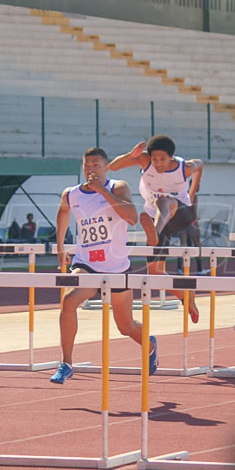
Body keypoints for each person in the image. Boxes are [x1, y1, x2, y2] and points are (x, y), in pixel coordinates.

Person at [50, 147, 157, 384]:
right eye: (87, 164)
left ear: (105, 167)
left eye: (96, 165)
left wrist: (101, 191)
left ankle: (150, 345)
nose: (91, 168)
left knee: (126, 327)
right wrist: (60, 248)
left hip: (116, 267)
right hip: (86, 263)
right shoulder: (72, 193)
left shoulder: (117, 187)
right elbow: (63, 212)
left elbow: (130, 217)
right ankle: (66, 363)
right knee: (68, 300)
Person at [106, 135, 202, 323]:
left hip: (181, 213)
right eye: (155, 159)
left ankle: (155, 233)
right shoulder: (145, 161)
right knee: (155, 273)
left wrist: (192, 192)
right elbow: (113, 167)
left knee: (164, 200)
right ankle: (185, 295)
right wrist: (130, 155)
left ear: (171, 158)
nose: (158, 163)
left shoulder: (184, 168)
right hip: (157, 219)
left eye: (163, 159)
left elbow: (200, 165)